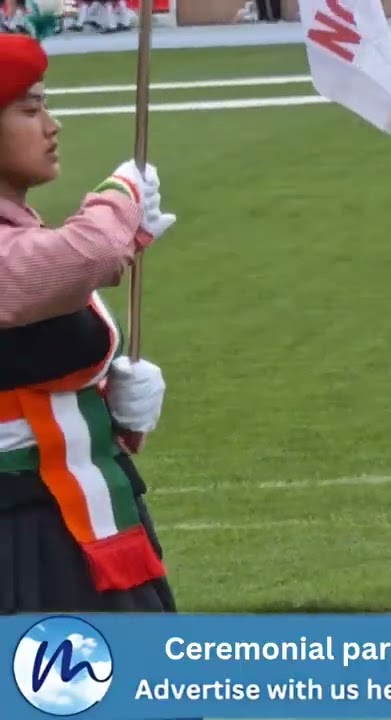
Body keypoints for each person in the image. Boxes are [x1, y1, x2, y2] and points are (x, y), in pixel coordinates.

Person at [0, 32, 180, 613]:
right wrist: (119, 197)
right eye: (29, 109)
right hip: (24, 545)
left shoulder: (20, 230)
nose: (51, 125)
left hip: (75, 529)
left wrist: (114, 413)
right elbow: (82, 257)